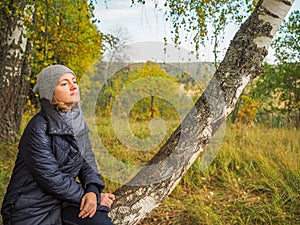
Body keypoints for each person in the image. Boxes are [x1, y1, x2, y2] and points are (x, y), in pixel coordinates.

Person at [1, 65, 115, 225]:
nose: (74, 86)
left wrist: (92, 191)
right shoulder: (37, 128)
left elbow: (87, 161)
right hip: (30, 209)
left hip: (62, 200)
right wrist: (89, 197)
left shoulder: (77, 121)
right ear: (50, 92)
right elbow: (51, 178)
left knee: (100, 222)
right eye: (64, 83)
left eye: (74, 81)